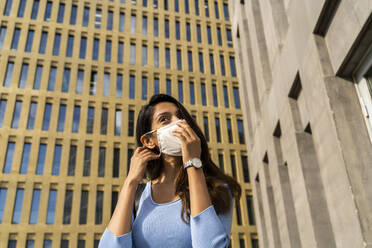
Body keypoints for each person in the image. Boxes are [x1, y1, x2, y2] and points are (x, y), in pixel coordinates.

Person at [99, 94, 241, 247]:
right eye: (165, 119)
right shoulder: (139, 197)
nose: (179, 122)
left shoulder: (218, 190)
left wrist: (193, 163)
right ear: (149, 141)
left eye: (180, 116)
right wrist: (130, 182)